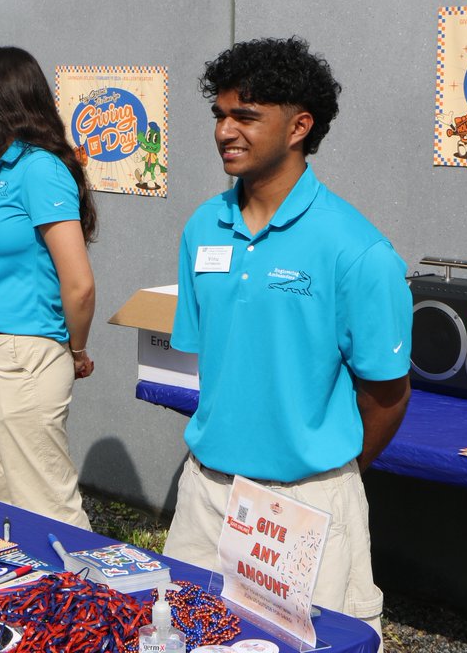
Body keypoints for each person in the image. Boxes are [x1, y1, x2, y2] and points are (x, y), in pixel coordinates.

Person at [163, 37, 412, 637]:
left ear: (299, 126)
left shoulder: (358, 250)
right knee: (180, 638)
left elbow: (387, 394)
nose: (225, 130)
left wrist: (323, 471)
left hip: (306, 505)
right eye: (220, 114)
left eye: (245, 116)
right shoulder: (203, 228)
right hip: (206, 494)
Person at [0, 46, 97, 529]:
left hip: (23, 356)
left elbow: (78, 285)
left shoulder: (40, 169)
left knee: (47, 504)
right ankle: (16, 597)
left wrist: (75, 349)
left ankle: (90, 600)